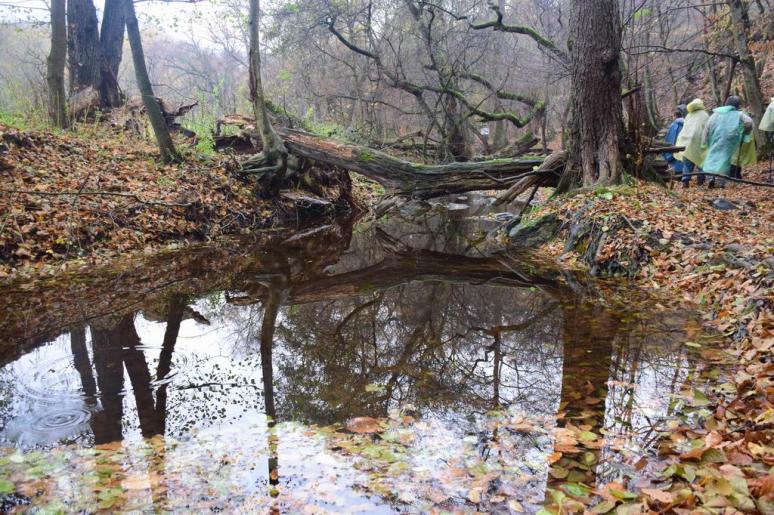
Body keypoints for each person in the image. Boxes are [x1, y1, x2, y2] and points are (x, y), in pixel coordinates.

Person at [701, 96, 753, 188]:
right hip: (729, 142)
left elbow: (706, 128)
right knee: (724, 161)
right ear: (736, 106)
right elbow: (749, 122)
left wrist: (704, 140)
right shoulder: (738, 114)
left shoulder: (715, 114)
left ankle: (711, 178)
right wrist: (745, 130)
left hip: (715, 140)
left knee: (713, 159)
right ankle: (721, 182)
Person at [675, 98, 709, 188]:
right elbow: (708, 129)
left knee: (687, 164)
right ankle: (700, 182)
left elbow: (685, 129)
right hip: (700, 143)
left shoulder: (689, 115)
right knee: (701, 162)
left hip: (687, 143)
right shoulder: (705, 115)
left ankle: (685, 181)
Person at [662, 105, 687, 176]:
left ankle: (676, 172)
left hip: (675, 147)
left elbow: (669, 138)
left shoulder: (673, 125)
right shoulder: (687, 123)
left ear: (675, 116)